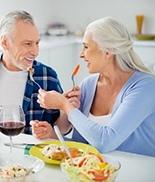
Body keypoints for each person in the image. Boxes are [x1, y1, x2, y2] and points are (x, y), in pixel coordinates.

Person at [31, 17, 155, 157]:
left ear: (108, 51)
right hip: (98, 173)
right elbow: (83, 145)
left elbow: (104, 141)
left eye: (86, 47)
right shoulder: (89, 84)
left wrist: (64, 105)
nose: (81, 54)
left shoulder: (145, 87)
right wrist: (53, 135)